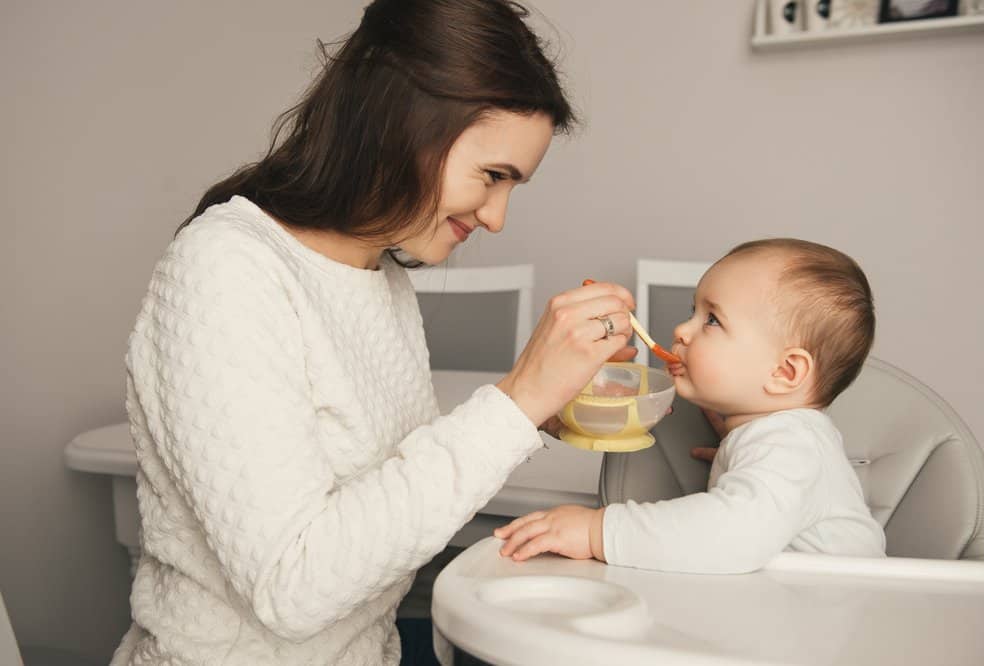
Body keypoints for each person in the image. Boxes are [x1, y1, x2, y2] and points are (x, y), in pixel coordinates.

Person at [111, 2, 639, 664]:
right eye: (493, 175)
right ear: (402, 124)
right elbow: (293, 586)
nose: (498, 216)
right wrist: (515, 401)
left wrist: (541, 410)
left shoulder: (378, 274)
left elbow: (377, 480)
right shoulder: (223, 269)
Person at [495, 238, 886, 573]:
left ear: (785, 371)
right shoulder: (779, 438)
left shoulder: (789, 445)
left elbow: (731, 535)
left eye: (712, 320)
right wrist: (737, 450)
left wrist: (596, 532)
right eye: (692, 312)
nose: (682, 330)